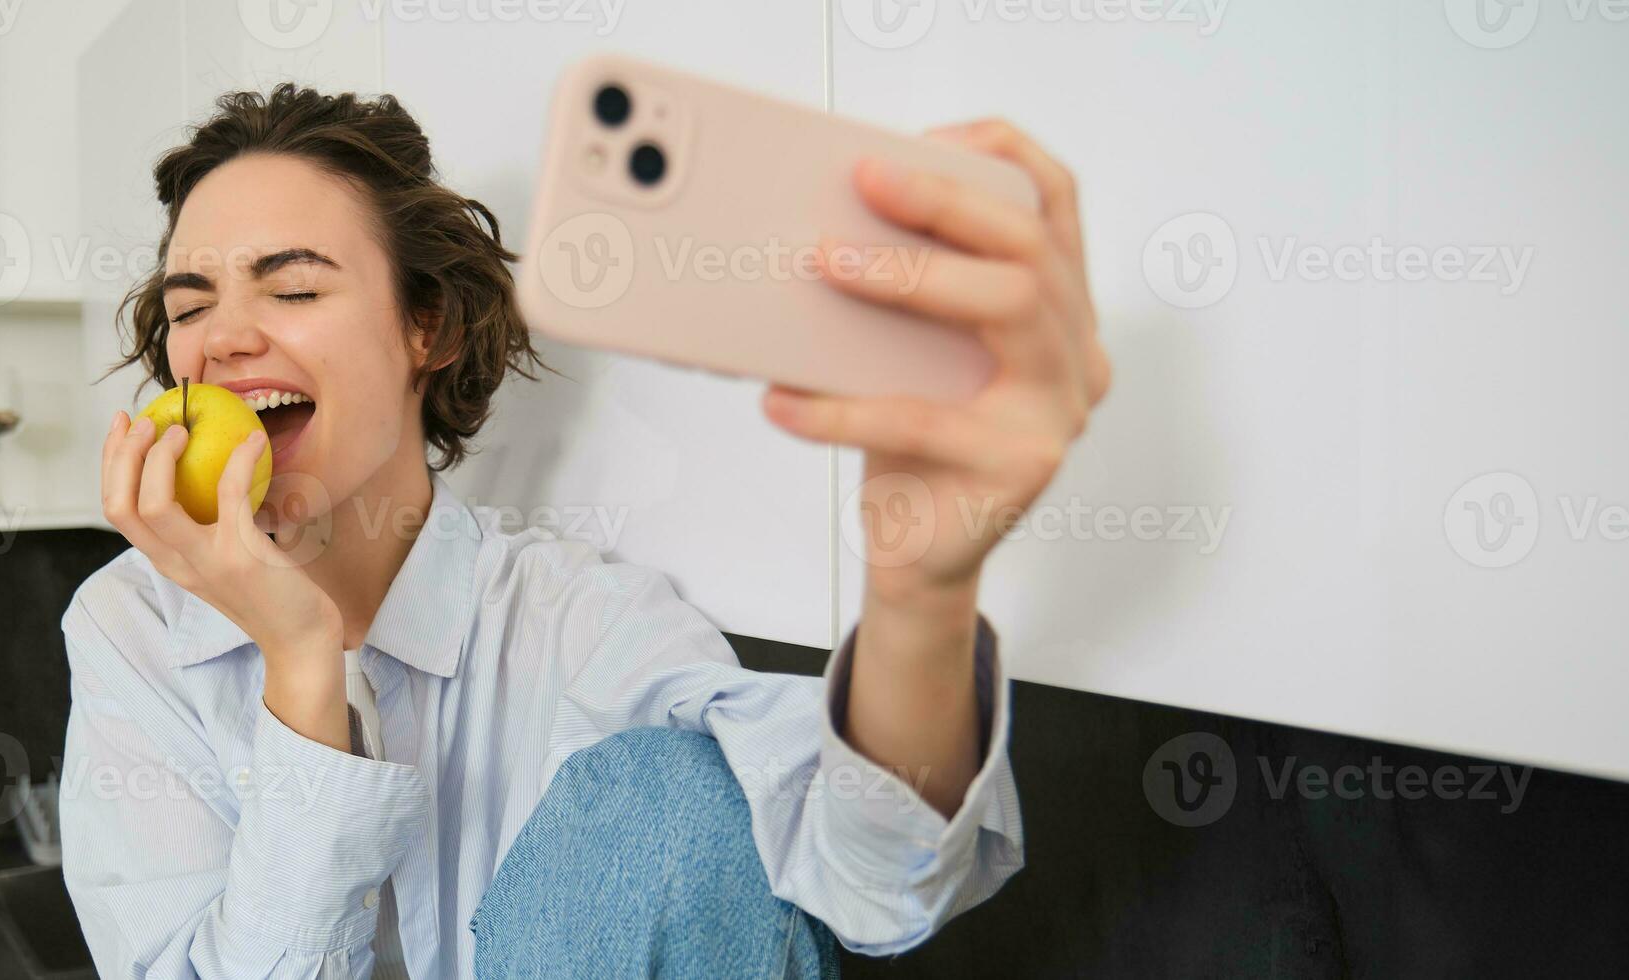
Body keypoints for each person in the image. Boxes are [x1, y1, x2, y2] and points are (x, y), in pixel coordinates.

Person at [58, 84, 1108, 979]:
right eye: (188, 308)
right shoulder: (131, 627)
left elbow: (874, 878)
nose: (223, 338)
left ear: (429, 326)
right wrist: (298, 661)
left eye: (291, 287)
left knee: (677, 789)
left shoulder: (572, 619)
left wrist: (920, 590)